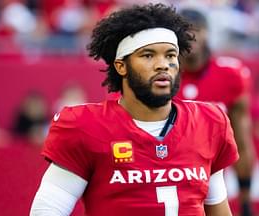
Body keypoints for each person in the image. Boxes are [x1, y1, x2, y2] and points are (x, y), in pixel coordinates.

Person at [30, 3, 239, 216]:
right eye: (148, 55)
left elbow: (218, 209)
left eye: (170, 55)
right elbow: (47, 210)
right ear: (121, 66)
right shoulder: (86, 127)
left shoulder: (209, 122)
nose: (162, 65)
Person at [177, 8, 254, 216]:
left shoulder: (231, 74)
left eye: (196, 29)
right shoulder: (165, 75)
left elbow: (242, 141)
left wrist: (246, 202)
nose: (190, 35)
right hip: (172, 172)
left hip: (213, 175)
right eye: (184, 30)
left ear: (207, 33)